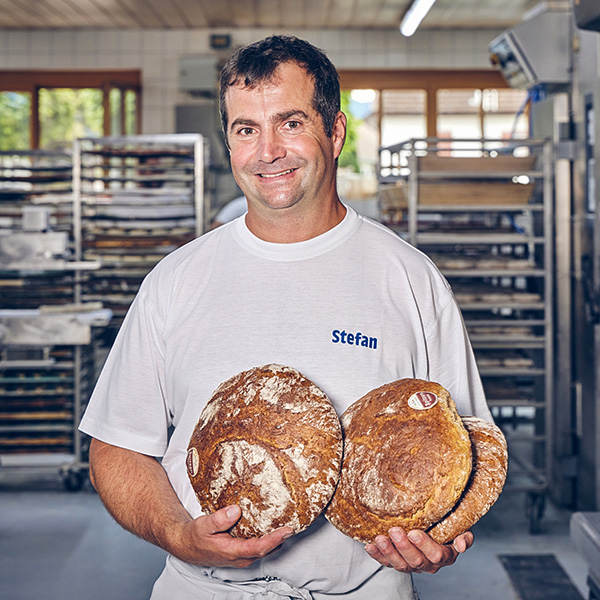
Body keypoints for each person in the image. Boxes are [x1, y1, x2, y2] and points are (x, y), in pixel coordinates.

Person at [80, 35, 492, 599]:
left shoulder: (410, 279)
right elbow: (116, 445)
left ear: (336, 132)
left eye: (290, 123)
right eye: (246, 129)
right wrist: (178, 533)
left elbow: (471, 445)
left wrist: (441, 537)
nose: (267, 151)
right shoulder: (175, 282)